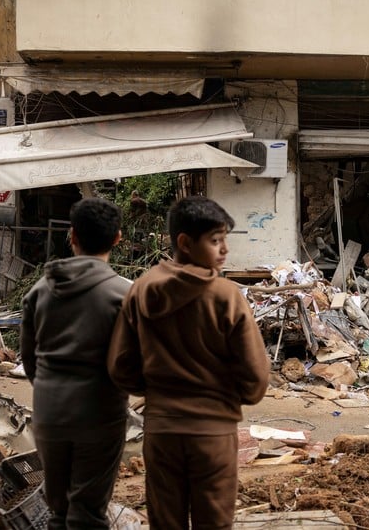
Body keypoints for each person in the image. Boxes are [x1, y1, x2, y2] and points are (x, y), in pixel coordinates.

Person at [107, 195, 270, 529]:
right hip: (213, 433)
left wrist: (157, 390)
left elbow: (121, 366)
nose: (224, 250)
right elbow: (255, 381)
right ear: (185, 242)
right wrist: (224, 396)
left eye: (225, 240)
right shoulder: (226, 296)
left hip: (162, 430)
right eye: (215, 241)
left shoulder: (140, 290)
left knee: (166, 522)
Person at [20, 197, 132, 529]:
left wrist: (51, 387)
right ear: (117, 239)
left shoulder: (39, 291)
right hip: (101, 412)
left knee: (59, 509)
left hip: (49, 410)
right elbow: (131, 364)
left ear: (72, 236)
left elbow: (29, 361)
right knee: (88, 513)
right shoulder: (124, 294)